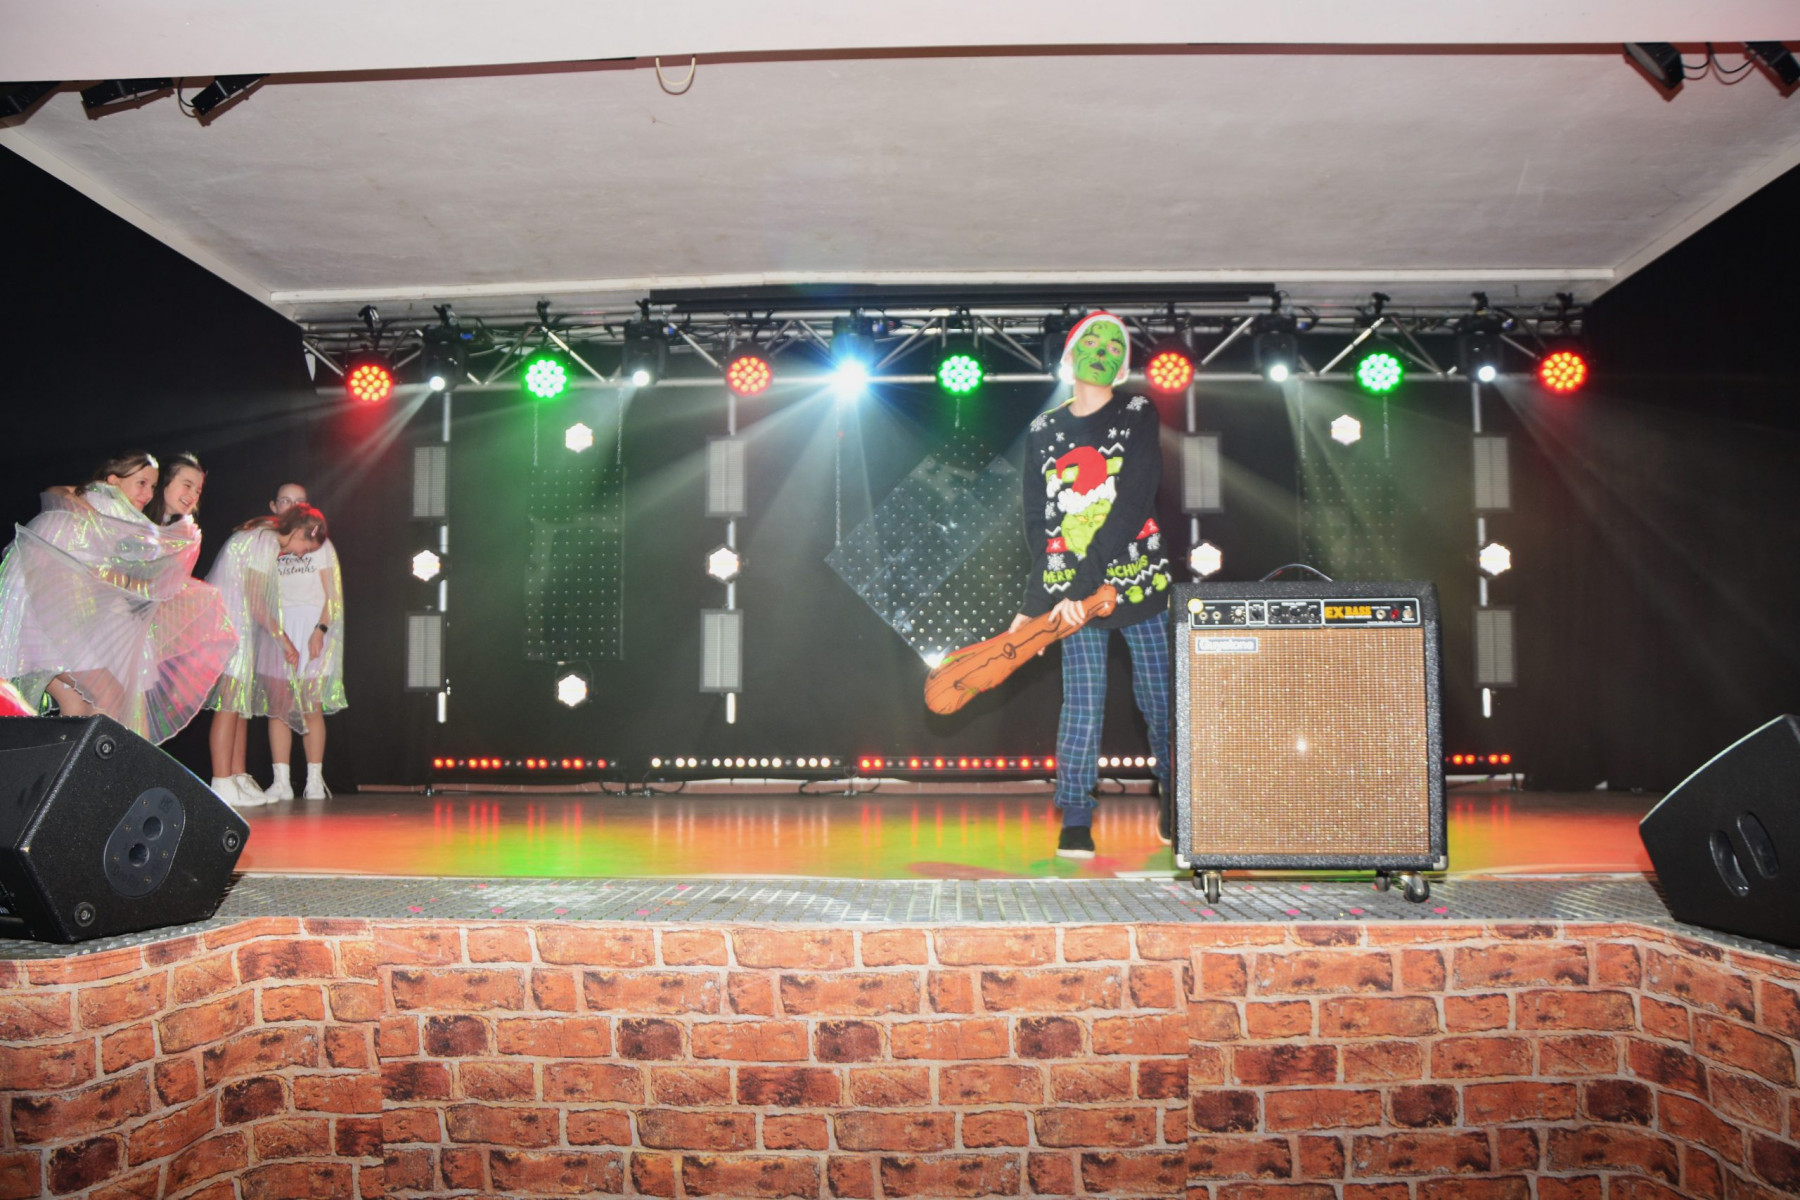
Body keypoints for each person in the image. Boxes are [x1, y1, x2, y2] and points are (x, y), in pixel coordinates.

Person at [1012, 313, 1173, 859]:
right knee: (1082, 703)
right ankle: (1076, 815)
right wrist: (1035, 603)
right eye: (1092, 342)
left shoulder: (1137, 412)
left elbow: (1131, 505)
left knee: (1160, 701)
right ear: (1070, 354)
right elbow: (1039, 525)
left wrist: (1079, 586)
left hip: (1139, 586)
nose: (1101, 352)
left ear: (1122, 365)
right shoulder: (1043, 430)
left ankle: (1176, 796)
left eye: (1113, 347)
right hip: (1071, 596)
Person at [0, 450, 235, 742]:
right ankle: (114, 770)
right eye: (142, 484)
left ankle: (75, 770)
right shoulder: (110, 506)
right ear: (113, 481)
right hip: (51, 613)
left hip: (54, 614)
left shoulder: (108, 506)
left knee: (79, 707)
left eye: (198, 490)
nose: (147, 493)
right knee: (111, 698)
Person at [205, 503, 328, 807]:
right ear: (298, 531)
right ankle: (221, 781)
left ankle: (236, 776)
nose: (302, 554)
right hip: (229, 622)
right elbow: (257, 601)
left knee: (239, 706)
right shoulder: (265, 540)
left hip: (237, 623)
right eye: (305, 547)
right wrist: (285, 642)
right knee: (229, 703)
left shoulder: (264, 538)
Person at [257, 482, 345, 801]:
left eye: (299, 501)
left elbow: (333, 596)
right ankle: (281, 781)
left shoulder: (320, 543)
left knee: (311, 705)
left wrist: (320, 630)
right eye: (285, 500)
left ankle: (314, 780)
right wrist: (275, 632)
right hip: (278, 627)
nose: (292, 506)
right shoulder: (265, 542)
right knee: (279, 707)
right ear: (273, 506)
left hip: (312, 627)